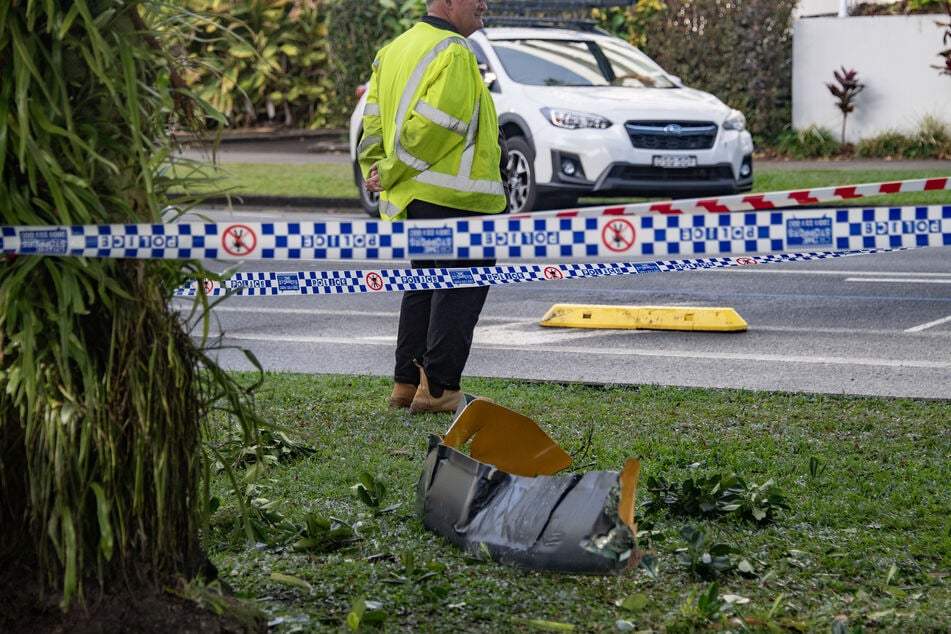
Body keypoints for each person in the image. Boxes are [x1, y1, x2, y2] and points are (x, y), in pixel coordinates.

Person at [358, 0, 507, 414]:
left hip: (416, 196)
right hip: (459, 196)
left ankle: (407, 384)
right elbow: (440, 125)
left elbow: (374, 122)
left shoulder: (393, 50)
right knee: (460, 287)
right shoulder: (453, 51)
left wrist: (379, 168)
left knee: (424, 284)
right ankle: (440, 389)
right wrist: (391, 168)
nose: (484, 4)